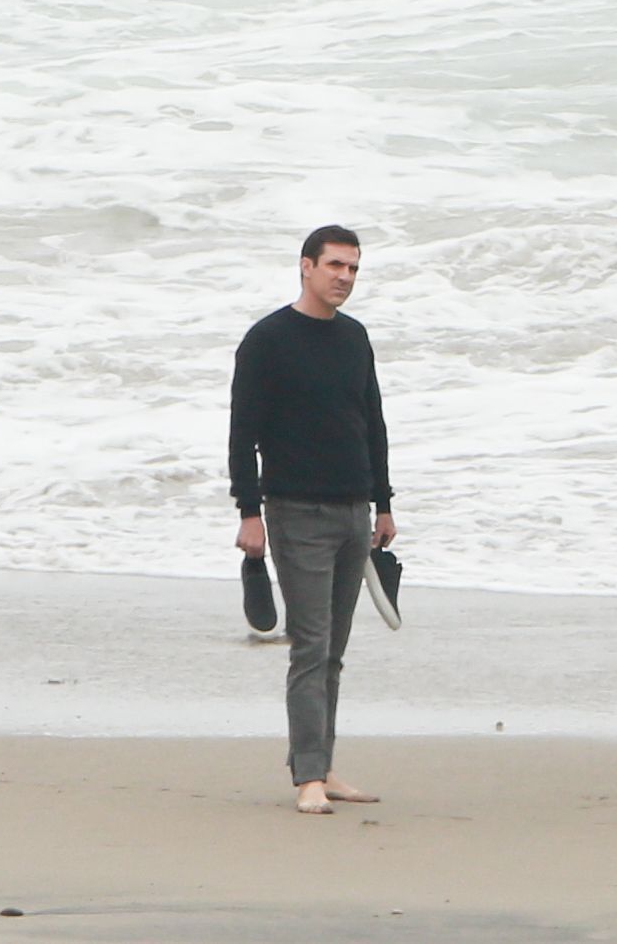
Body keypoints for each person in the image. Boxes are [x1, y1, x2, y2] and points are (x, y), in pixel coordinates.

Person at [228, 224, 397, 815]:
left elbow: (372, 421)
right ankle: (307, 779)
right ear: (306, 266)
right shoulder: (267, 340)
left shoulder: (354, 337)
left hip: (354, 512)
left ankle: (321, 766)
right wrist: (249, 513)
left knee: (334, 651)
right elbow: (242, 434)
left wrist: (383, 503)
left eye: (353, 268)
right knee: (310, 647)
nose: (345, 277)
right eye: (335, 266)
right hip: (296, 511)